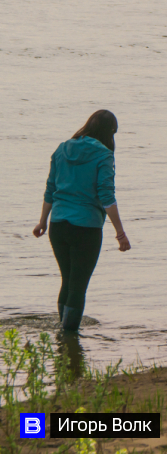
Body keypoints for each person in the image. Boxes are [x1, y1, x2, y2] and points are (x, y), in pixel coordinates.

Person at [32, 110, 131, 332]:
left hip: (58, 226)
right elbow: (106, 196)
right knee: (78, 286)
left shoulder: (61, 149)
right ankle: (69, 337)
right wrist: (120, 233)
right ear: (110, 132)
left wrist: (42, 222)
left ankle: (63, 337)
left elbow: (51, 189)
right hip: (86, 228)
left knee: (67, 280)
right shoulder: (104, 155)